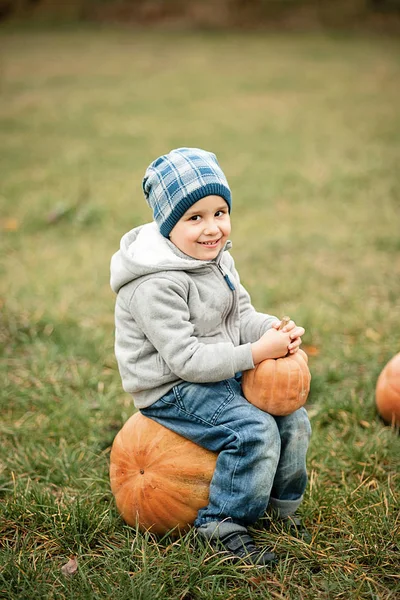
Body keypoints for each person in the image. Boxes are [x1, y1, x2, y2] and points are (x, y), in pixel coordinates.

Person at [110, 147, 312, 567]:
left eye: (219, 212)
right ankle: (222, 525)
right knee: (252, 429)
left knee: (292, 417)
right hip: (172, 386)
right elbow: (186, 360)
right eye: (194, 218)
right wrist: (256, 354)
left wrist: (273, 330)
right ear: (168, 226)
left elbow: (242, 316)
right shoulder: (154, 285)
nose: (212, 228)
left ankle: (279, 508)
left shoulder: (216, 259)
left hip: (216, 367)